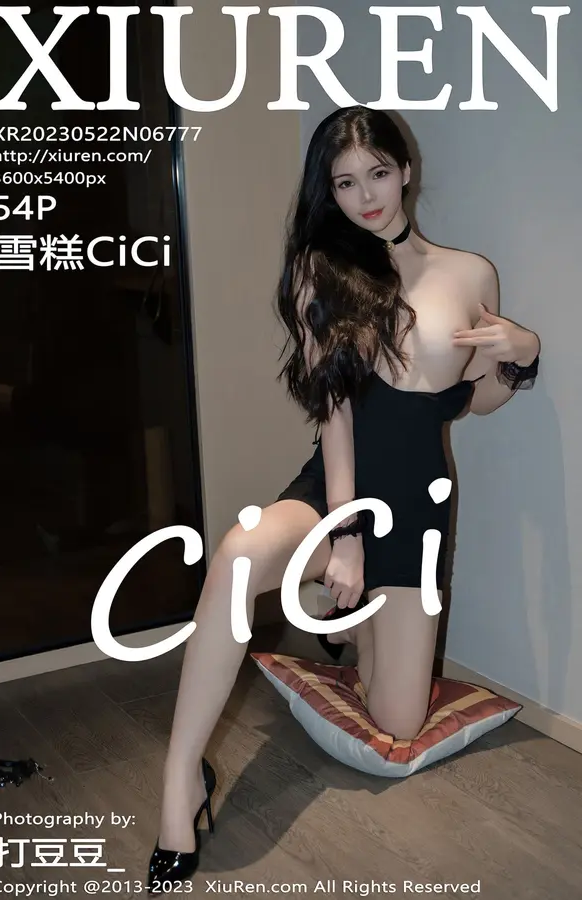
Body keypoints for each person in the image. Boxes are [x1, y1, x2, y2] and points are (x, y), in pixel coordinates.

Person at [146, 105, 540, 893]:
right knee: (237, 557)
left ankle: (347, 630)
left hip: (419, 508)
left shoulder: (472, 274)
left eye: (379, 174)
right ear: (328, 191)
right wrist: (347, 531)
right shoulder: (320, 270)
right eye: (346, 182)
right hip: (340, 491)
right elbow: (335, 417)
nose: (367, 197)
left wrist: (520, 355)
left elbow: (473, 401)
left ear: (406, 169)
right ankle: (180, 781)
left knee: (398, 725)